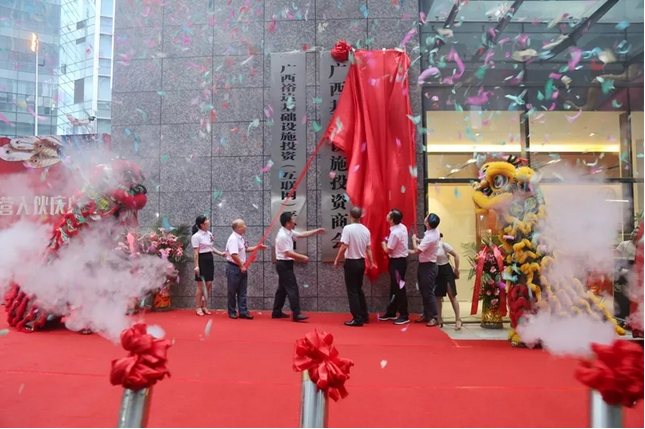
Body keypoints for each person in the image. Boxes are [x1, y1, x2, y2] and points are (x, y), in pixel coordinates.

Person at [272, 212, 325, 322]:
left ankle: (276, 312)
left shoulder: (288, 232)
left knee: (282, 289)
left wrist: (317, 231)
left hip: (286, 264)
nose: (294, 221)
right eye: (292, 219)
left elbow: (302, 234)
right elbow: (287, 253)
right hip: (283, 264)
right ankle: (296, 314)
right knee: (292, 288)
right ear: (288, 223)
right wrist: (302, 257)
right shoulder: (282, 236)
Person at [334, 207, 375, 327]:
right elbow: (368, 249)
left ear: (350, 215)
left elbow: (344, 245)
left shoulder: (348, 229)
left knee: (352, 291)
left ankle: (357, 318)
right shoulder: (366, 230)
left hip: (351, 262)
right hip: (361, 262)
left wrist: (337, 259)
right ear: (360, 216)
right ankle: (364, 315)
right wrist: (371, 262)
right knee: (358, 289)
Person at [225, 219, 267, 320]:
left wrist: (257, 247)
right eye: (244, 225)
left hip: (241, 267)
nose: (246, 226)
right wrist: (241, 266)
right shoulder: (233, 239)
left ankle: (243, 311)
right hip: (234, 267)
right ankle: (232, 311)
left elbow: (245, 249)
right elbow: (234, 254)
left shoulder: (240, 238)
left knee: (243, 291)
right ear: (238, 228)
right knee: (232, 291)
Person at [378, 209, 410, 325]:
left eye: (388, 215)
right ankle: (391, 311)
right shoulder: (402, 227)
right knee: (394, 287)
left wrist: (383, 244)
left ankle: (404, 314)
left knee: (399, 288)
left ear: (391, 220)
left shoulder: (395, 233)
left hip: (397, 262)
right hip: (398, 262)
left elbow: (388, 250)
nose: (386, 215)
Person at [409, 213, 441, 327]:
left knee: (428, 293)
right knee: (423, 291)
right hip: (425, 265)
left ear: (428, 223)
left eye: (426, 217)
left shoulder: (430, 236)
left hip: (428, 267)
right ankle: (427, 314)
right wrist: (420, 240)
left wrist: (414, 240)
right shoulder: (433, 232)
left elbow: (417, 250)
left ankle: (434, 317)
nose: (425, 217)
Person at [191, 215, 225, 316]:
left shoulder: (209, 234)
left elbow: (211, 248)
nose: (209, 221)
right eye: (206, 220)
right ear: (202, 224)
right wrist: (196, 266)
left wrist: (220, 253)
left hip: (209, 259)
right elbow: (196, 252)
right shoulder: (196, 236)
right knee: (200, 285)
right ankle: (198, 307)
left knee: (208, 284)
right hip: (201, 260)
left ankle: (204, 306)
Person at [435, 233, 462, 330]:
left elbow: (456, 255)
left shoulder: (443, 245)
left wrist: (457, 269)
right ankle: (439, 319)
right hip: (437, 271)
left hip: (446, 270)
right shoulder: (430, 246)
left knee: (452, 295)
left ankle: (458, 319)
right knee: (438, 297)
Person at [614, 227, 639, 323]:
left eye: (636, 232)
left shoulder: (641, 246)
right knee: (621, 296)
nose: (633, 233)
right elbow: (616, 258)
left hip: (636, 274)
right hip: (622, 272)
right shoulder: (623, 244)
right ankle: (621, 315)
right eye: (633, 232)